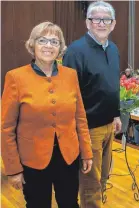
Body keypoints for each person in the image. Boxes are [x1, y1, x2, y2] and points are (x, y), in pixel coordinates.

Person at [2, 22, 93, 208]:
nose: (48, 46)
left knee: (69, 203)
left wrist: (86, 153)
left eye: (54, 41)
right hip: (33, 160)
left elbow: (80, 118)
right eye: (42, 40)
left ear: (60, 47)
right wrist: (13, 169)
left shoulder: (71, 75)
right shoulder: (15, 77)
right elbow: (6, 128)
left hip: (68, 156)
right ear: (32, 45)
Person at [63, 2, 122, 207]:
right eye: (96, 18)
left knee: (103, 177)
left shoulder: (113, 49)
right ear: (88, 23)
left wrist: (115, 115)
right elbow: (69, 95)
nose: (101, 23)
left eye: (106, 19)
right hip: (88, 128)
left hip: (108, 126)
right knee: (91, 182)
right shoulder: (75, 51)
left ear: (113, 24)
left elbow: (112, 85)